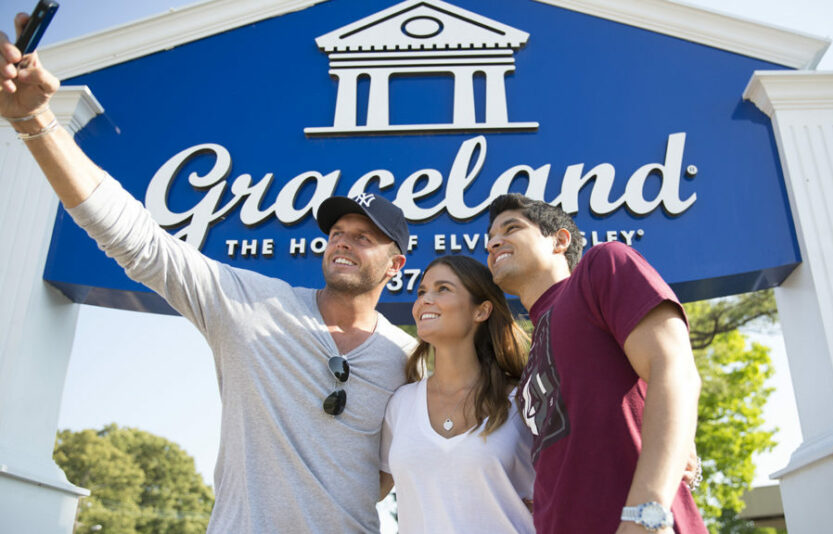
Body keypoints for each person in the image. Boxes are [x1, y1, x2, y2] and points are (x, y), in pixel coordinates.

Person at [0, 16, 415, 533]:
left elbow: (392, 472)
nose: (343, 241)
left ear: (396, 264)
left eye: (364, 236)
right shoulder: (248, 302)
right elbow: (139, 241)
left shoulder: (407, 358)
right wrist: (35, 121)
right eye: (338, 231)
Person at [485, 194, 707, 534]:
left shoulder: (602, 266)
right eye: (489, 240)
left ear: (560, 240)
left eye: (511, 228)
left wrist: (647, 514)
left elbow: (674, 370)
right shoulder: (533, 353)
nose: (493, 242)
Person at [379, 255, 535, 533]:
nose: (425, 300)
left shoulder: (521, 400)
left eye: (443, 289)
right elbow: (375, 488)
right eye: (422, 292)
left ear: (481, 311)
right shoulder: (400, 404)